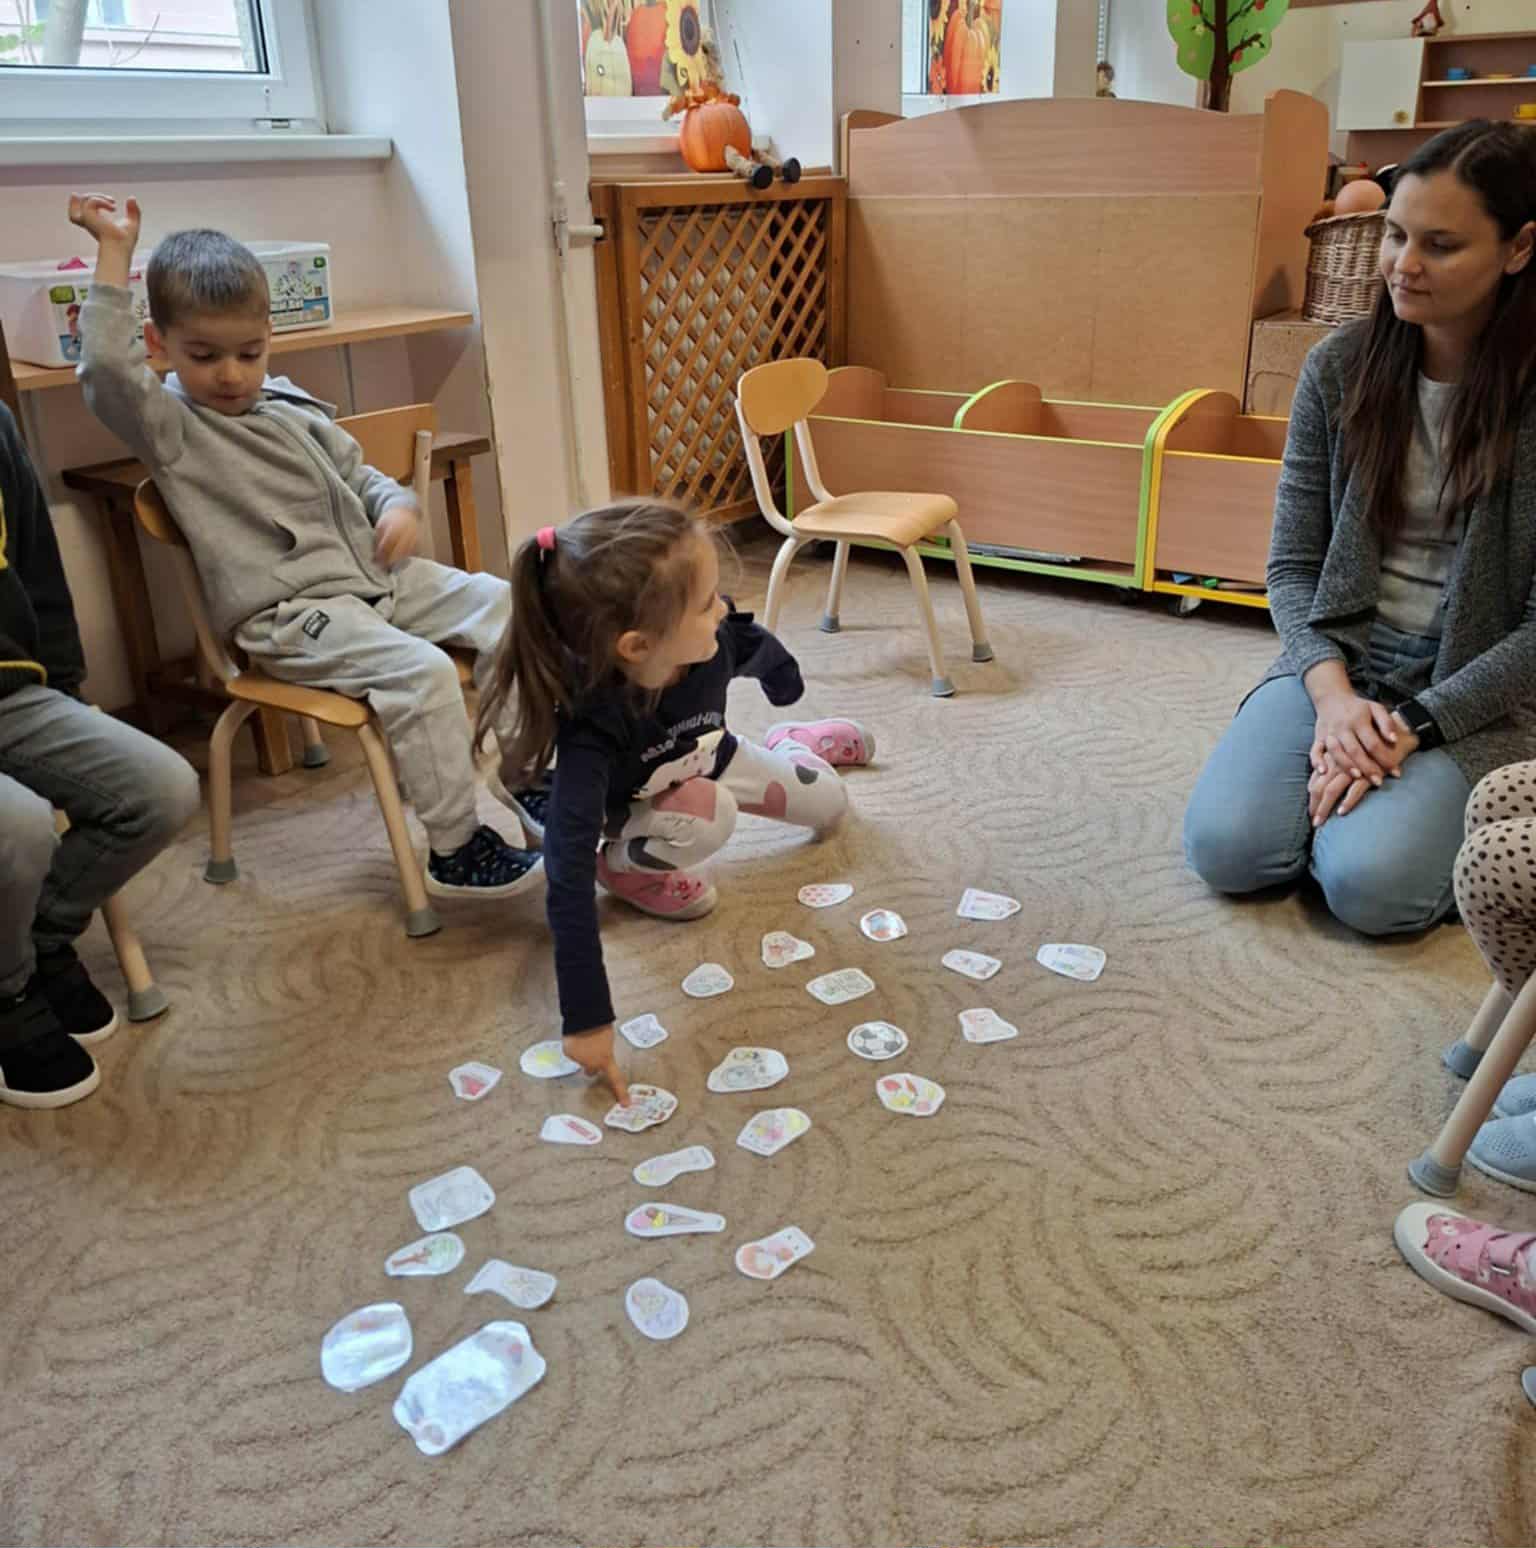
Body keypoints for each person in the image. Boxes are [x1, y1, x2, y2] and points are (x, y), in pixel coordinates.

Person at [67, 192, 541, 898]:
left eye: (248, 353)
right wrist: (113, 252)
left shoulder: (291, 406)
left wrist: (399, 503)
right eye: (204, 356)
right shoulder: (174, 429)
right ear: (159, 345)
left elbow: (362, 474)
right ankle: (455, 846)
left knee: (512, 607)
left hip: (377, 581)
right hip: (291, 614)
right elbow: (106, 372)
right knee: (422, 673)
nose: (231, 374)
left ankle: (530, 776)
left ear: (269, 338)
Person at [1183, 121, 1536, 936]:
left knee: (1373, 890)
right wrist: (1336, 704)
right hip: (1343, 659)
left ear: (1519, 248)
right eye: (1396, 235)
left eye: (1441, 245)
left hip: (1475, 685)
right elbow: (1292, 568)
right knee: (1227, 850)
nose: (1404, 265)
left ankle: (1373, 821)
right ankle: (1345, 797)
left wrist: (1412, 728)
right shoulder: (1337, 368)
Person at [475, 501, 874, 1105]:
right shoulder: (593, 726)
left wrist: (784, 682)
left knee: (831, 806)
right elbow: (565, 871)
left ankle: (793, 743)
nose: (723, 609)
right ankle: (626, 868)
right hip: (641, 804)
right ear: (638, 645)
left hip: (714, 754)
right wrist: (587, 1018)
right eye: (707, 602)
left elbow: (753, 644)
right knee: (710, 816)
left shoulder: (713, 643)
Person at [0, 402, 199, 1109]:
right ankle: (8, 989)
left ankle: (40, 937)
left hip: (12, 693)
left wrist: (66, 688)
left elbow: (39, 576)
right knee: (19, 827)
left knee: (162, 789)